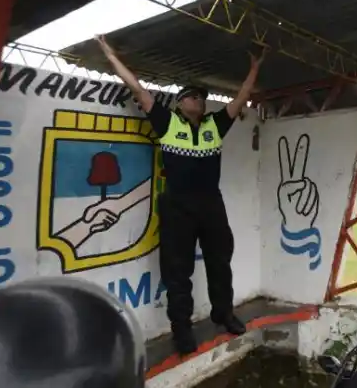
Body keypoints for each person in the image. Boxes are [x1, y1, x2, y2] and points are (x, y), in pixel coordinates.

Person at [95, 35, 264, 355]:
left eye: (201, 97)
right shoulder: (167, 122)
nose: (198, 100)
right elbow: (139, 90)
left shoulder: (216, 124)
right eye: (190, 96)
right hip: (177, 205)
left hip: (211, 203)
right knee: (177, 271)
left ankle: (223, 313)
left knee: (220, 262)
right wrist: (112, 57)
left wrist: (253, 69)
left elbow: (242, 98)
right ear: (179, 104)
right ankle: (182, 330)